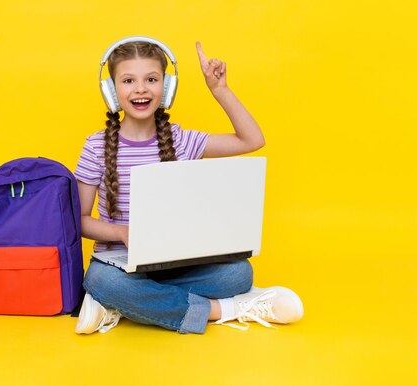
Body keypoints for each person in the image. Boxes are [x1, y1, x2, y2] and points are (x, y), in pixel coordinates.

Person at [73, 36, 303, 334]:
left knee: (238, 274)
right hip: (118, 265)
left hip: (173, 264)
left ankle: (120, 306)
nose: (141, 88)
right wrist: (122, 232)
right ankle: (230, 309)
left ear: (166, 88)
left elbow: (252, 140)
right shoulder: (95, 147)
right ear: (111, 91)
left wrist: (220, 90)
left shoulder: (181, 140)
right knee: (100, 281)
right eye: (128, 80)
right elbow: (80, 221)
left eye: (152, 79)